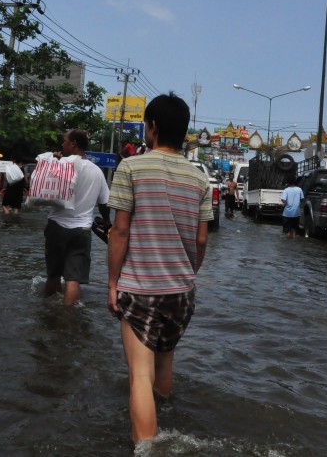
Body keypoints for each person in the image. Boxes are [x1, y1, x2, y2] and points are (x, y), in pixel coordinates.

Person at [106, 93, 212, 444]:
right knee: (164, 365)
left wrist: (111, 283)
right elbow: (200, 242)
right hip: (181, 293)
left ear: (151, 127)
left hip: (140, 289)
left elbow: (119, 230)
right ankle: (163, 429)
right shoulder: (199, 180)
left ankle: (148, 449)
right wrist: (187, 275)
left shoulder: (132, 167)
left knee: (139, 375)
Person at [43, 129, 111, 306]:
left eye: (64, 141)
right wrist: (107, 221)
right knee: (73, 280)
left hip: (57, 226)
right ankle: (69, 319)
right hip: (82, 230)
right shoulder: (97, 172)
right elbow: (104, 203)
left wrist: (52, 160)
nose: (62, 144)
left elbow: (41, 189)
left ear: (73, 144)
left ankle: (49, 314)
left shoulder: (59, 164)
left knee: (54, 275)